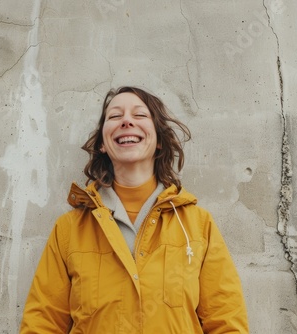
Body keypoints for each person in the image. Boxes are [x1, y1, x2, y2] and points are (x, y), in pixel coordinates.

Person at [20, 86, 249, 333]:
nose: (127, 121)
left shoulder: (198, 225)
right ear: (102, 145)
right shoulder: (68, 230)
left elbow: (226, 320)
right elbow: (42, 323)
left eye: (140, 115)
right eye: (115, 116)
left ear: (159, 140)